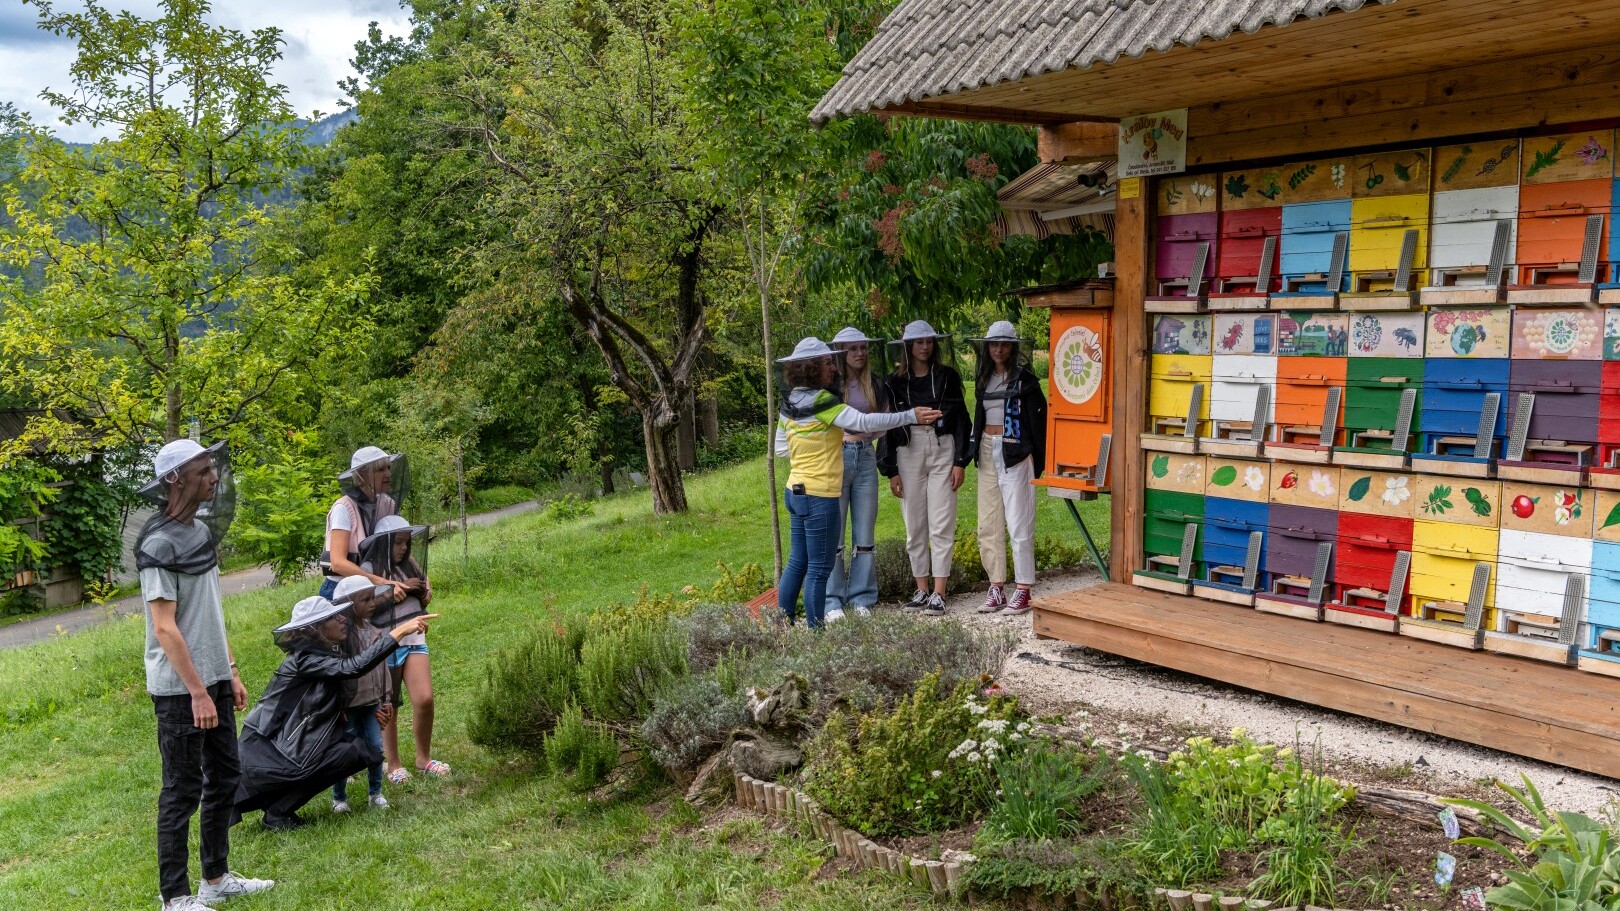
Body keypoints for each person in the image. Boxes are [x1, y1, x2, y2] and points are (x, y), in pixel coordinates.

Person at [136, 439, 274, 910]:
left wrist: (228, 671)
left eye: (214, 468)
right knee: (182, 789)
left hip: (211, 680)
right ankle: (173, 896)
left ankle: (215, 879)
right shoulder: (157, 543)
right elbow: (165, 626)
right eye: (204, 469)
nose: (214, 477)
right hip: (180, 689)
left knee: (226, 776)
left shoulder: (198, 534)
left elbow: (210, 615)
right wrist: (196, 690)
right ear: (175, 479)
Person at [233, 589, 434, 831]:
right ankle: (278, 812)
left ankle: (278, 812)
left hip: (290, 742)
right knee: (352, 753)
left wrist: (377, 707)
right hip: (272, 748)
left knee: (359, 751)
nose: (342, 619)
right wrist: (399, 632)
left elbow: (346, 685)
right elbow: (354, 668)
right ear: (315, 629)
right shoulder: (305, 659)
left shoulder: (324, 651)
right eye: (333, 618)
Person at [774, 336, 940, 628]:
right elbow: (862, 423)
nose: (833, 368)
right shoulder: (822, 400)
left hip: (794, 490)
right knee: (819, 568)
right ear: (811, 367)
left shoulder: (791, 400)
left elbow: (780, 448)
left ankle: (780, 624)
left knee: (797, 562)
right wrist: (910, 416)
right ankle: (816, 633)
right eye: (827, 362)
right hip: (819, 493)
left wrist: (810, 442)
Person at [879, 320, 971, 616]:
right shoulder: (894, 382)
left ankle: (940, 592)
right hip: (909, 450)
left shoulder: (947, 376)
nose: (924, 346)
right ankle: (921, 589)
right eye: (918, 342)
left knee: (942, 520)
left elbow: (960, 418)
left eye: (929, 341)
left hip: (943, 447)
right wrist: (890, 469)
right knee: (914, 523)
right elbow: (887, 427)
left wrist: (960, 461)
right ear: (907, 346)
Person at [356, 514, 447, 782]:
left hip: (415, 638)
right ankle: (393, 765)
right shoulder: (370, 567)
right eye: (398, 543)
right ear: (384, 543)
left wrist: (424, 590)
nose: (404, 548)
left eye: (407, 542)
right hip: (386, 642)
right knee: (389, 706)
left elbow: (422, 582)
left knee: (425, 699)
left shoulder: (410, 563)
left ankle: (424, 759)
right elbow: (362, 605)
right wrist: (395, 590)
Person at [968, 321, 1049, 615]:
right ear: (987, 348)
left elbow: (1040, 424)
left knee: (1019, 522)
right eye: (993, 344)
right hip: (988, 450)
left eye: (1003, 344)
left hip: (1015, 451)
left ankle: (1024, 588)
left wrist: (1036, 460)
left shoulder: (1025, 381)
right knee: (988, 524)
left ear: (1013, 347)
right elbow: (979, 416)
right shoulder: (984, 378)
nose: (998, 349)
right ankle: (996, 586)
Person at [824, 327, 889, 621]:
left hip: (865, 456)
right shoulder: (830, 387)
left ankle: (862, 597)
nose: (860, 353)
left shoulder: (873, 384)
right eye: (853, 349)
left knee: (864, 532)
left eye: (863, 348)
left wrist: (865, 436)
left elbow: (883, 419)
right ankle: (831, 600)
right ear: (841, 353)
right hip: (836, 457)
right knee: (833, 534)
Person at [329, 576, 394, 813]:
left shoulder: (376, 632)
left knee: (376, 747)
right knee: (344, 751)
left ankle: (375, 793)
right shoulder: (340, 638)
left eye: (372, 598)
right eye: (365, 599)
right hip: (348, 706)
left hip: (372, 702)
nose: (372, 604)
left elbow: (383, 667)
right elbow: (335, 676)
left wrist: (386, 699)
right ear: (347, 604)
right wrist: (337, 707)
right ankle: (339, 797)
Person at [319, 446, 408, 601]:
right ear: (361, 477)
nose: (388, 474)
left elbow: (401, 543)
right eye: (380, 470)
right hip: (342, 589)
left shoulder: (388, 504)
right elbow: (338, 563)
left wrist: (423, 578)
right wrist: (383, 583)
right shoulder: (344, 508)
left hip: (372, 586)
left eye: (388, 468)